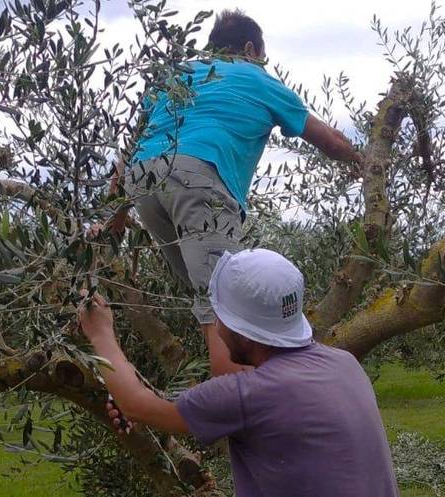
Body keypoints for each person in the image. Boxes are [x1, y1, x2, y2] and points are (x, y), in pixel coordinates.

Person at [96, 9, 362, 377]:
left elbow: (131, 147)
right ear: (251, 49)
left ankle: (225, 396)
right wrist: (367, 165)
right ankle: (237, 416)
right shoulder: (257, 77)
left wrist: (117, 217)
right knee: (225, 304)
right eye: (262, 57)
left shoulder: (175, 75)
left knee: (208, 296)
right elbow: (329, 139)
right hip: (197, 175)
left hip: (144, 184)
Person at [77, 249, 399, 497]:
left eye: (220, 317)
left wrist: (100, 333)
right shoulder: (344, 363)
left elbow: (134, 403)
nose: (216, 325)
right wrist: (151, 411)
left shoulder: (248, 395)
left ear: (244, 334)